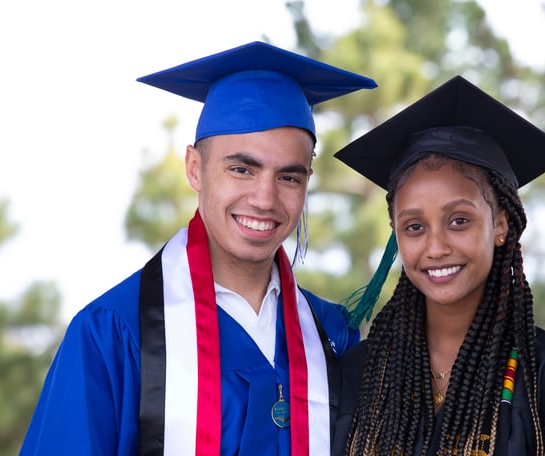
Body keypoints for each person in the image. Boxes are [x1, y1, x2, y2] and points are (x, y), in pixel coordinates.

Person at [20, 41, 376, 455]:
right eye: (241, 169)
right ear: (195, 168)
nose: (264, 199)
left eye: (289, 178)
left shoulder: (332, 335)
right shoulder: (113, 333)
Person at [331, 75, 545, 455]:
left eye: (459, 221)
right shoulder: (359, 375)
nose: (435, 247)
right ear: (395, 233)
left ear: (500, 224)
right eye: (414, 227)